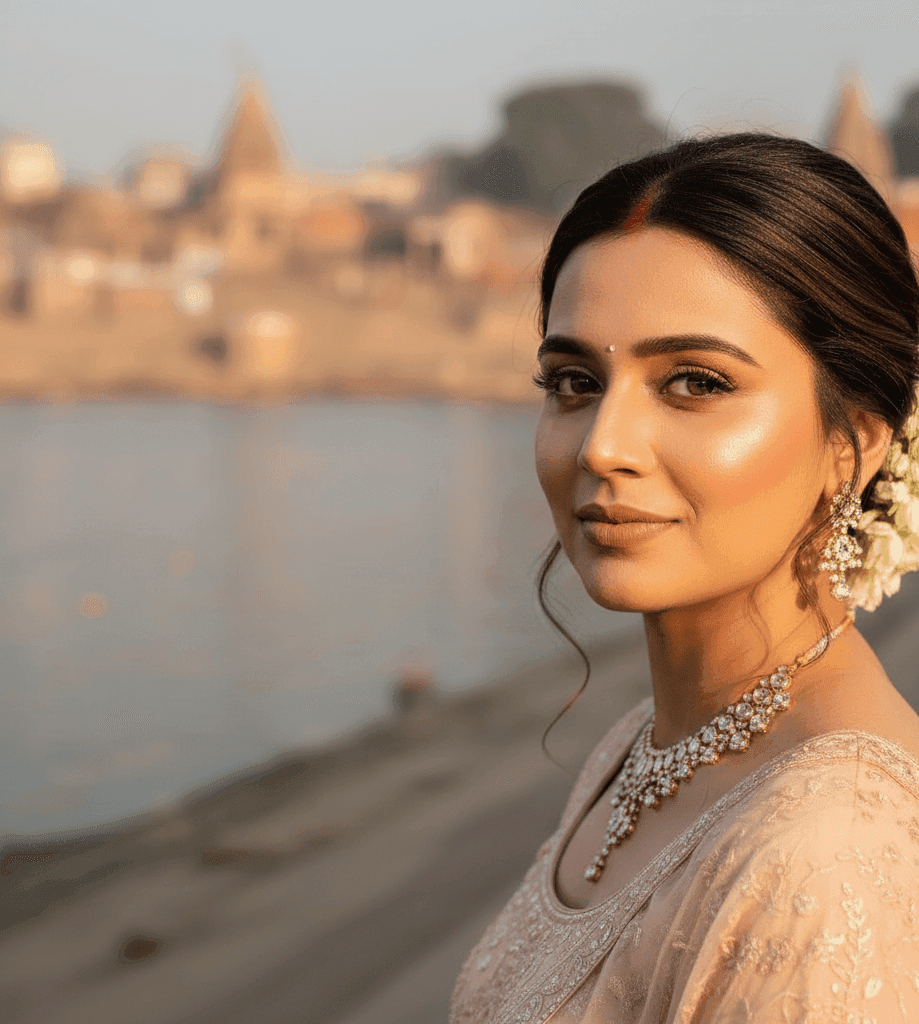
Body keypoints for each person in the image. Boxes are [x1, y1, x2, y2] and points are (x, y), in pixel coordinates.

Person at [449, 132, 919, 1023]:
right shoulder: (645, 741)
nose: (601, 445)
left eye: (694, 383)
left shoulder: (822, 852)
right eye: (574, 381)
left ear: (852, 442)